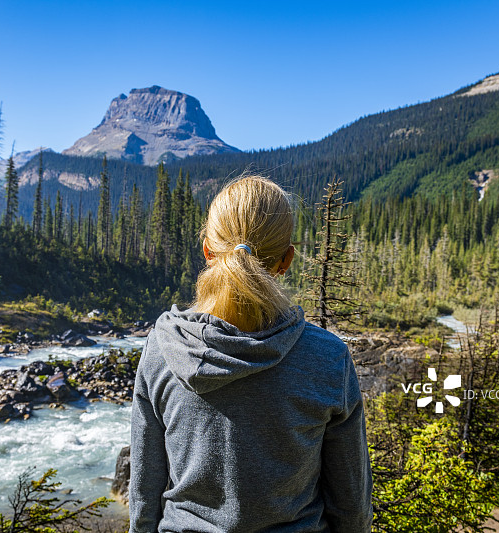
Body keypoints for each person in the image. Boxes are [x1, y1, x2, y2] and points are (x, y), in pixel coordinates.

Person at [129, 175, 372, 533]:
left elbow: (144, 496)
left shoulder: (163, 348)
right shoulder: (328, 358)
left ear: (208, 252)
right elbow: (352, 507)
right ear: (286, 260)